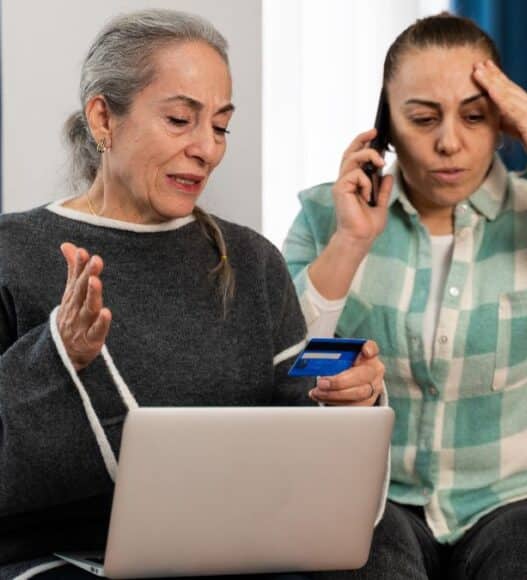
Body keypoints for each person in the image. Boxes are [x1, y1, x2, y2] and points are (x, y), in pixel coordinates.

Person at [0, 9, 387, 579]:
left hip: (240, 558)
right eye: (181, 119)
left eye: (222, 125)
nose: (207, 148)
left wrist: (346, 402)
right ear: (103, 117)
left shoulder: (252, 261)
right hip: (58, 562)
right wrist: (58, 358)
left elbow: (297, 433)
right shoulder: (14, 253)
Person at [284, 12, 527, 579]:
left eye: (474, 117)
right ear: (385, 127)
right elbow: (283, 365)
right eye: (422, 119)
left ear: (504, 124)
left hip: (523, 497)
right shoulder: (327, 215)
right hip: (377, 494)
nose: (449, 142)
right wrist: (350, 243)